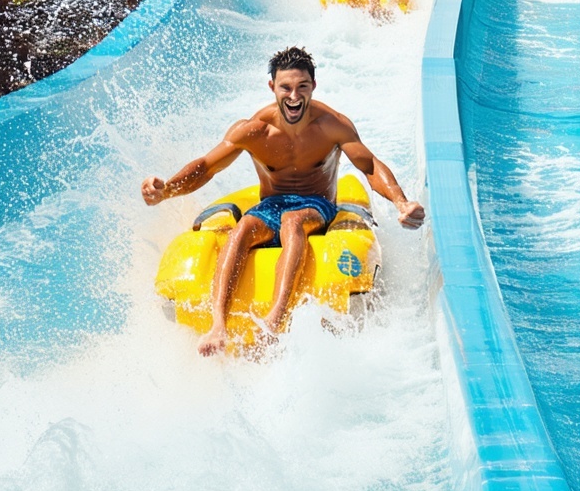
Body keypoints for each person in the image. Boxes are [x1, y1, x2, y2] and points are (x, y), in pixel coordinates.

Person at [141, 46, 425, 356]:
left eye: (302, 87)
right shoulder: (254, 130)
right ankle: (218, 325)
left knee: (293, 222)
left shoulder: (332, 125)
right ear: (272, 88)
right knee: (242, 228)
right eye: (285, 87)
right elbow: (207, 166)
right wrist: (166, 189)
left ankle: (275, 319)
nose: (294, 96)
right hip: (271, 205)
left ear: (312, 87)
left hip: (316, 204)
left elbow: (368, 165)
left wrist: (401, 203)